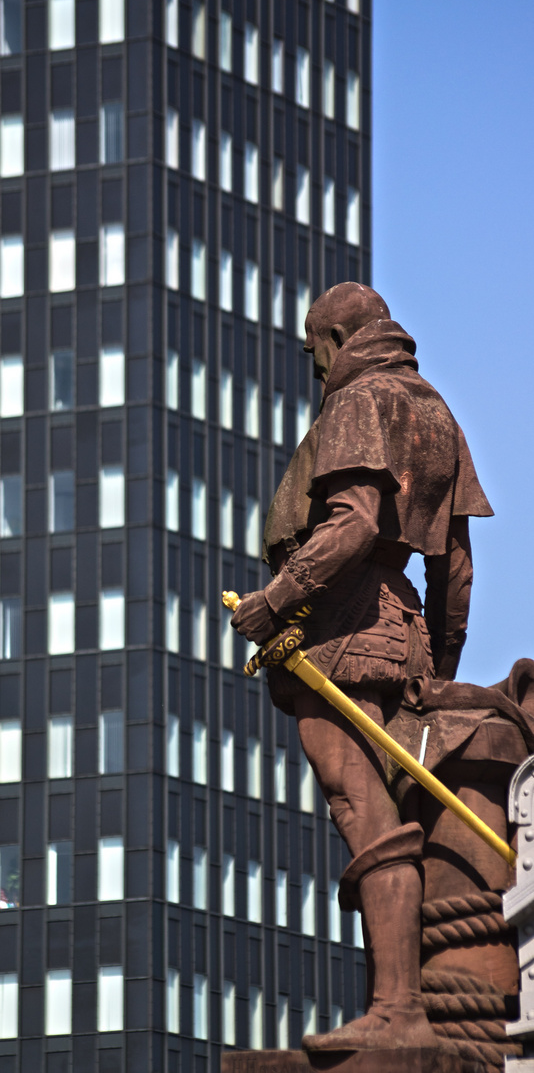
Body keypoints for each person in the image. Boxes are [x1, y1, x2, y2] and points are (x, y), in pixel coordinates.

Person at [231, 282, 492, 1052]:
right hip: (403, 639)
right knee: (395, 812)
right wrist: (434, 671)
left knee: (364, 813)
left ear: (337, 338)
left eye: (315, 349)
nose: (314, 368)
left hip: (342, 636)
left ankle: (398, 1008)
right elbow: (457, 573)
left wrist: (275, 601)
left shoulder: (357, 400)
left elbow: (352, 524)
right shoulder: (436, 411)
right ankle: (403, 1002)